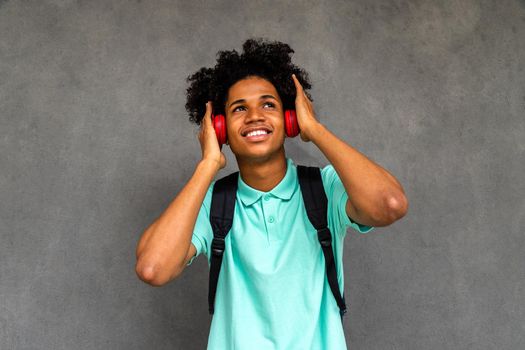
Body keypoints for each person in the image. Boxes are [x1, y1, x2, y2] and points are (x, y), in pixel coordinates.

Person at [135, 37, 408, 349]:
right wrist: (208, 165)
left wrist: (316, 131)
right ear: (220, 128)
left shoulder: (325, 188)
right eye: (239, 108)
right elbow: (152, 268)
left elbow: (391, 204)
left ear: (290, 118)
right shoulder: (213, 202)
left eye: (268, 104)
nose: (255, 116)